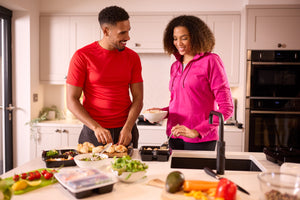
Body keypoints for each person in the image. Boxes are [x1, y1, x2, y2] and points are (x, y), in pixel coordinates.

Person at [150, 15, 233, 150]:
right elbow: (179, 104)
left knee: (196, 172)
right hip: (174, 136)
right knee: (176, 172)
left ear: (197, 37)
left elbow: (226, 108)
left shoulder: (211, 61)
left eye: (184, 38)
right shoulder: (175, 66)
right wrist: (160, 113)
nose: (179, 43)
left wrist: (197, 131)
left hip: (200, 140)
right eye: (175, 39)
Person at [66, 6, 143, 148]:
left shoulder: (132, 57)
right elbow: (71, 100)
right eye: (122, 33)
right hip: (94, 132)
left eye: (128, 31)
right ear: (106, 31)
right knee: (92, 171)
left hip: (125, 131)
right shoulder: (82, 56)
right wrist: (95, 127)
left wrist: (128, 127)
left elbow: (138, 97)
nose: (128, 37)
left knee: (130, 170)